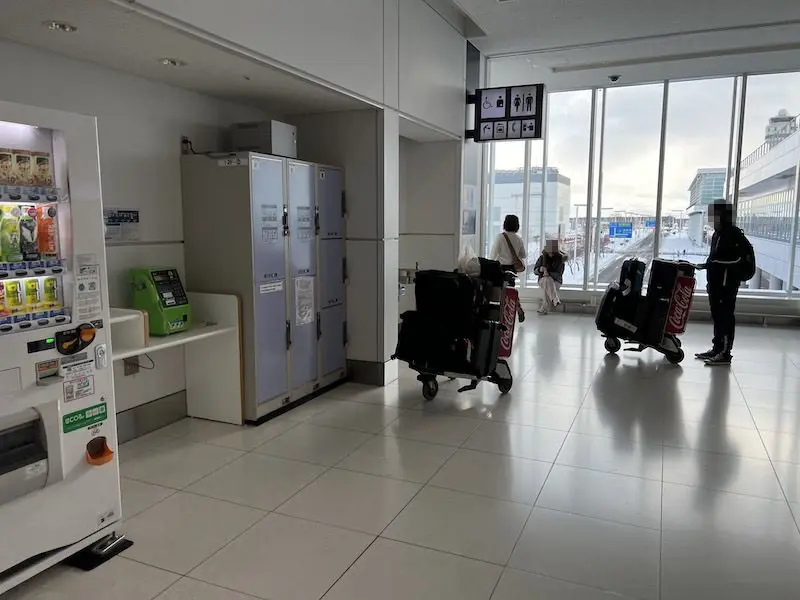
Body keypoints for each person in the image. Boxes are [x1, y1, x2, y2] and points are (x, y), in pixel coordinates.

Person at [694, 200, 750, 366]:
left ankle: (725, 353)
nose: (711, 218)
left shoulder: (733, 235)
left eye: (713, 214)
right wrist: (707, 265)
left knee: (725, 317)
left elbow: (736, 260)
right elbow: (715, 257)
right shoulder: (717, 234)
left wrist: (713, 264)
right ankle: (717, 348)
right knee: (717, 316)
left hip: (727, 284)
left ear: (723, 215)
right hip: (716, 283)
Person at [490, 214, 527, 322]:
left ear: (505, 223)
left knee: (500, 291)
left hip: (501, 268)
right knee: (510, 290)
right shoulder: (518, 239)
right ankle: (517, 308)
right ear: (517, 225)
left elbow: (493, 255)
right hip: (512, 269)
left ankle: (501, 313)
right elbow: (524, 255)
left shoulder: (500, 237)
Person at [533, 239, 566, 314]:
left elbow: (559, 274)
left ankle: (544, 308)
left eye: (552, 252)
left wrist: (548, 273)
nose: (550, 253)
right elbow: (535, 271)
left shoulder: (560, 259)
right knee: (546, 280)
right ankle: (555, 299)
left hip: (556, 281)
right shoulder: (542, 258)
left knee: (547, 282)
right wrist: (540, 269)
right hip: (542, 280)